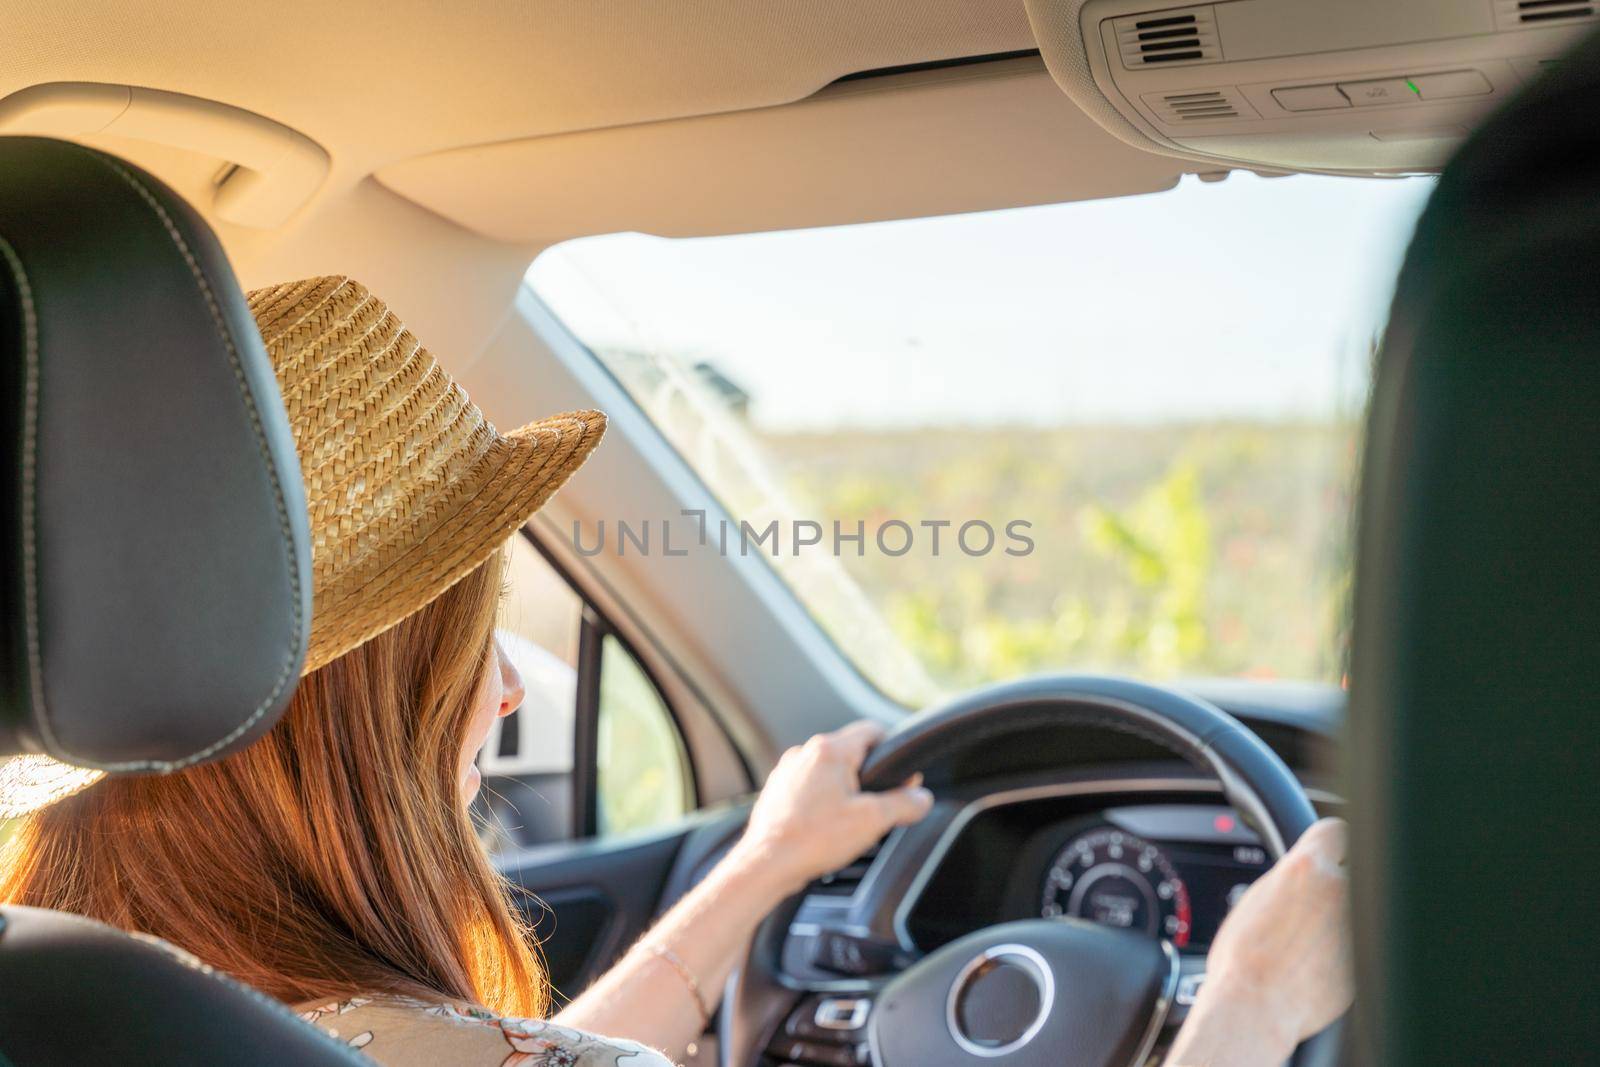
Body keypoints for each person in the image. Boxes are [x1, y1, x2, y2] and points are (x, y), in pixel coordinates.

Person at [0, 276, 1350, 1066]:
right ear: (358, 713)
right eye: (477, 643)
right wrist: (1248, 1007)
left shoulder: (85, 998)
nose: (507, 693)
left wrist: (761, 870)